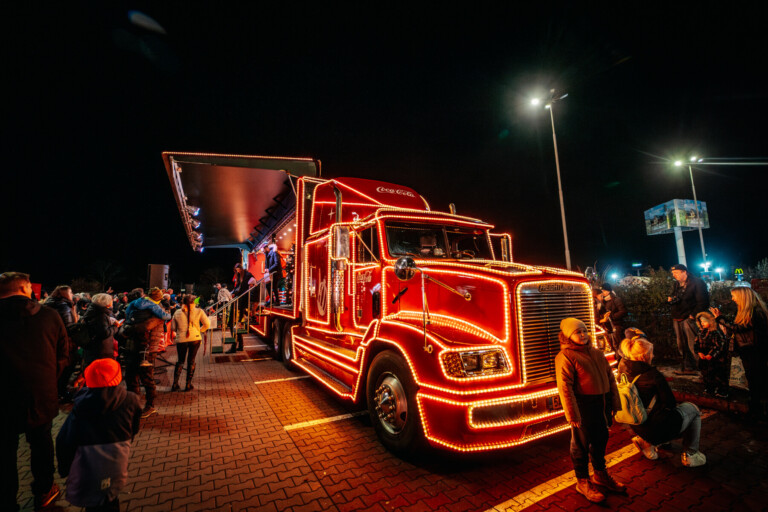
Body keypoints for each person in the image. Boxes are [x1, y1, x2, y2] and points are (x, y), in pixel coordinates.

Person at [0, 272, 69, 511]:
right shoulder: (50, 316)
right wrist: (48, 380)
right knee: (41, 444)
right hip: (41, 395)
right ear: (26, 288)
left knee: (5, 453)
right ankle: (44, 489)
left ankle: (7, 500)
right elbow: (63, 355)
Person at [56, 358, 142, 511]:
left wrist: (65, 469)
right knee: (111, 498)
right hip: (117, 463)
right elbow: (133, 428)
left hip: (89, 468)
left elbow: (65, 440)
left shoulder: (81, 406)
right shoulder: (131, 400)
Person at [555, 317, 624, 503]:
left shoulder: (596, 353)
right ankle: (582, 481)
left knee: (601, 439)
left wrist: (614, 404)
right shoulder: (566, 356)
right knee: (580, 445)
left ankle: (600, 475)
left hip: (601, 403)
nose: (584, 334)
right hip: (583, 406)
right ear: (568, 336)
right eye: (578, 332)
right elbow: (565, 388)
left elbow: (610, 378)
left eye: (585, 330)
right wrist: (572, 414)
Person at [617, 329, 707, 467]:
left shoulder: (622, 370)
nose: (653, 355)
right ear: (644, 356)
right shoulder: (654, 375)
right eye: (650, 353)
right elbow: (670, 403)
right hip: (657, 429)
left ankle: (645, 443)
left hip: (637, 425)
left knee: (652, 413)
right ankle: (691, 454)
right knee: (692, 409)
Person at [711, 287, 768, 418]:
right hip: (749, 351)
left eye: (734, 296)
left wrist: (720, 318)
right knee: (755, 379)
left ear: (743, 297)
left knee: (756, 380)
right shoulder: (750, 311)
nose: (733, 299)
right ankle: (756, 408)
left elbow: (739, 328)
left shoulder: (755, 312)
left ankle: (756, 411)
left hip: (754, 351)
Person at [122, 287, 171, 419]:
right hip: (133, 347)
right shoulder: (143, 309)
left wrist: (128, 328)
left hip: (147, 349)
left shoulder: (157, 312)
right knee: (131, 378)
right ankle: (133, 404)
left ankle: (150, 406)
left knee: (147, 378)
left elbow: (144, 327)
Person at [667, 263, 710, 375]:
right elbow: (675, 297)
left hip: (689, 318)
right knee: (682, 344)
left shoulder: (697, 283)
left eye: (676, 273)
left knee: (693, 344)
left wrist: (693, 315)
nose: (674, 275)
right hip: (677, 317)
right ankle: (688, 367)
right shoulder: (676, 284)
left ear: (684, 272)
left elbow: (703, 301)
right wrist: (671, 299)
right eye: (673, 273)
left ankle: (702, 369)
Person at [171, 295, 210, 391]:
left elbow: (173, 328)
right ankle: (188, 384)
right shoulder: (199, 311)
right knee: (191, 360)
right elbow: (207, 324)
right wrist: (200, 330)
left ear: (182, 302)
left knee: (180, 361)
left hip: (181, 339)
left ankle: (175, 384)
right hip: (195, 338)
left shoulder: (177, 312)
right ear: (193, 302)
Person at [694, 311, 729, 398]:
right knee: (706, 374)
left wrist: (712, 355)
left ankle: (722, 391)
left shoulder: (716, 333)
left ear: (710, 321)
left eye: (704, 321)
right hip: (704, 359)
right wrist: (699, 352)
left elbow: (720, 346)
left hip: (716, 360)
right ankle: (709, 389)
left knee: (719, 375)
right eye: (701, 322)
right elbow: (696, 344)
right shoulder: (701, 332)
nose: (702, 323)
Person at [82, 293, 120, 367]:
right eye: (110, 301)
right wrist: (116, 327)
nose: (112, 302)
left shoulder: (93, 311)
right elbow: (104, 333)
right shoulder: (101, 315)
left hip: (94, 348)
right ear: (105, 303)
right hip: (101, 350)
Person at [595, 283, 628, 356]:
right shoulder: (602, 301)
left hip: (616, 325)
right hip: (607, 326)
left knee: (618, 345)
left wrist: (612, 317)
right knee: (611, 345)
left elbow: (623, 311)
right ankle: (616, 359)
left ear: (608, 291)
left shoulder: (616, 300)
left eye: (603, 291)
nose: (602, 293)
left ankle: (621, 360)